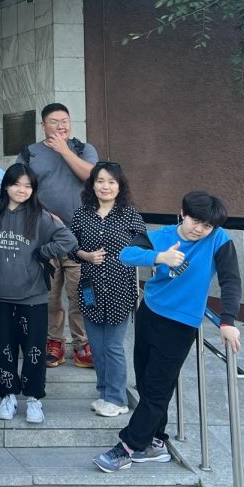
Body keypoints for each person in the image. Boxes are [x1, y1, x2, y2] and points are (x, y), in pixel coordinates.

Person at [94, 191, 241, 473]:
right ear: (182, 214)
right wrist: (160, 257)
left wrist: (228, 321)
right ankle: (155, 441)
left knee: (158, 388)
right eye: (195, 221)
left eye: (207, 225)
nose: (199, 229)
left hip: (182, 323)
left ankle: (127, 447)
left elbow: (231, 281)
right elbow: (127, 254)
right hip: (150, 313)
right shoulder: (162, 236)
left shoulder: (219, 240)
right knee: (147, 382)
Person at [0, 164, 77, 426]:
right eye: (16, 184)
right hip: (1, 297)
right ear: (6, 186)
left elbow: (68, 240)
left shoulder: (40, 216)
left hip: (33, 296)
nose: (22, 190)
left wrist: (44, 253)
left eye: (28, 186)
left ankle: (34, 398)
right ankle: (8, 395)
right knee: (5, 350)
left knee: (34, 350)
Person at [15, 103, 99, 370]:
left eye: (65, 120)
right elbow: (19, 190)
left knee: (79, 293)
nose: (61, 125)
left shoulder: (84, 149)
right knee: (49, 296)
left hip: (80, 236)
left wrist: (64, 150)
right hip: (43, 237)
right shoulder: (30, 153)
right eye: (54, 121)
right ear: (43, 126)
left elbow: (92, 177)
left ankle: (82, 344)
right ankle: (54, 342)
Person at [71, 161, 146, 418]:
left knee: (113, 345)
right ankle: (104, 392)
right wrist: (86, 255)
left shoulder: (130, 215)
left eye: (111, 182)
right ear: (92, 184)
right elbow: (71, 246)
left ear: (120, 185)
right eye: (100, 181)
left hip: (119, 288)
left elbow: (145, 249)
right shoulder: (82, 214)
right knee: (96, 343)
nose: (106, 186)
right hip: (90, 288)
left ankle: (117, 397)